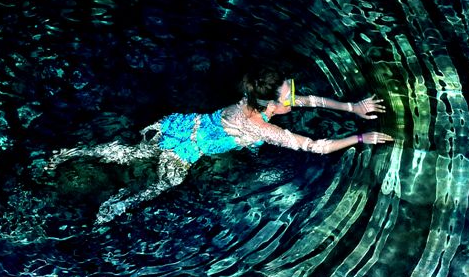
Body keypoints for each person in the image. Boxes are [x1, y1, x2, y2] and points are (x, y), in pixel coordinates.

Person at [46, 66, 393, 224]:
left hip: (179, 124)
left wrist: (351, 108)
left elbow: (312, 101)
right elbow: (315, 147)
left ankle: (73, 153)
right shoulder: (261, 128)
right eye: (289, 91)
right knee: (162, 184)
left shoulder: (252, 99)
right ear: (273, 102)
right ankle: (114, 208)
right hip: (184, 151)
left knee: (132, 153)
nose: (294, 93)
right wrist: (360, 137)